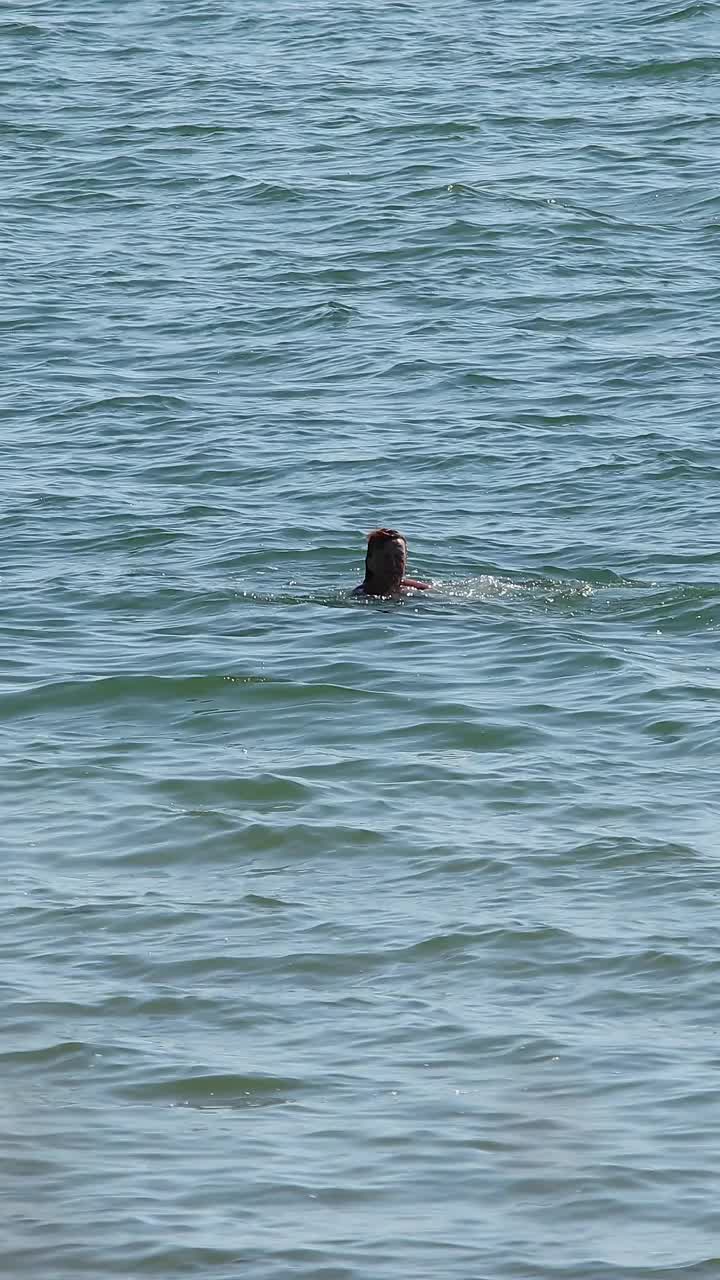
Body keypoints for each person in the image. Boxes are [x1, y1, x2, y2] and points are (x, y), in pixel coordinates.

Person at [353, 528, 431, 597]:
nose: (393, 564)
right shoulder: (361, 596)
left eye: (399, 557)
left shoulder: (419, 589)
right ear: (370, 562)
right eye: (386, 558)